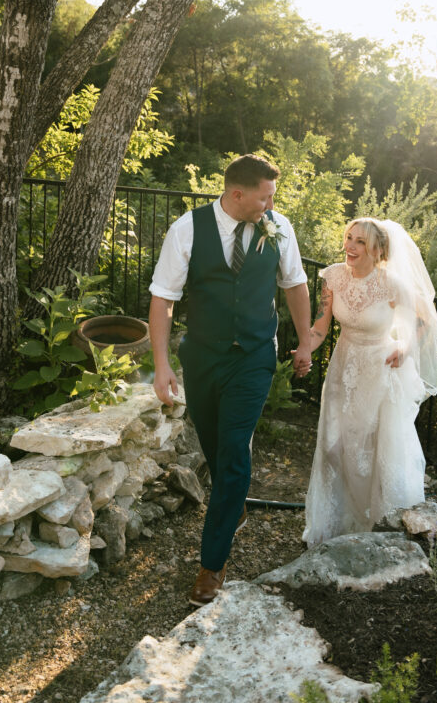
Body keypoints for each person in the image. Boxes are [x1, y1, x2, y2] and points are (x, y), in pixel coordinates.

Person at [149, 154, 312, 604]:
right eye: (265, 197)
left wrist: (306, 341)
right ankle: (234, 502)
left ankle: (211, 564)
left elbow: (295, 283)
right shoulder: (187, 229)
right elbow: (163, 298)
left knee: (235, 448)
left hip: (255, 357)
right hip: (202, 358)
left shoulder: (280, 227)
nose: (271, 204)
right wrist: (162, 365)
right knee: (215, 445)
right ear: (237, 194)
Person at [303, 217, 437, 546]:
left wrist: (405, 347)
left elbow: (424, 319)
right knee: (334, 445)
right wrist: (305, 349)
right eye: (349, 238)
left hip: (379, 372)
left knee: (374, 448)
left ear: (378, 250)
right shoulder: (334, 276)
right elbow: (320, 327)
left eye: (360, 241)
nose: (350, 246)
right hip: (342, 367)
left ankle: (380, 523)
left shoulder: (392, 284)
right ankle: (333, 522)